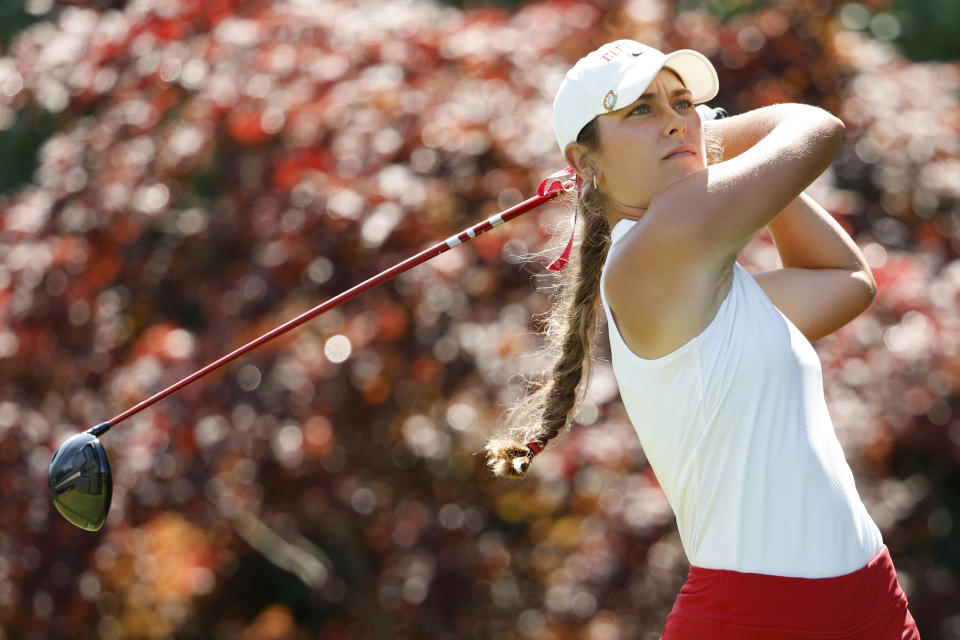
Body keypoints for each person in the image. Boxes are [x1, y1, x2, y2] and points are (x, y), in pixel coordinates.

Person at [485, 40, 921, 639]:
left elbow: (844, 282)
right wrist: (706, 136)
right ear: (585, 160)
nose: (672, 119)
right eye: (640, 109)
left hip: (870, 596)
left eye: (682, 101)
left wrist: (694, 138)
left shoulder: (703, 280)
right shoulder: (654, 246)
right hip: (755, 618)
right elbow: (815, 128)